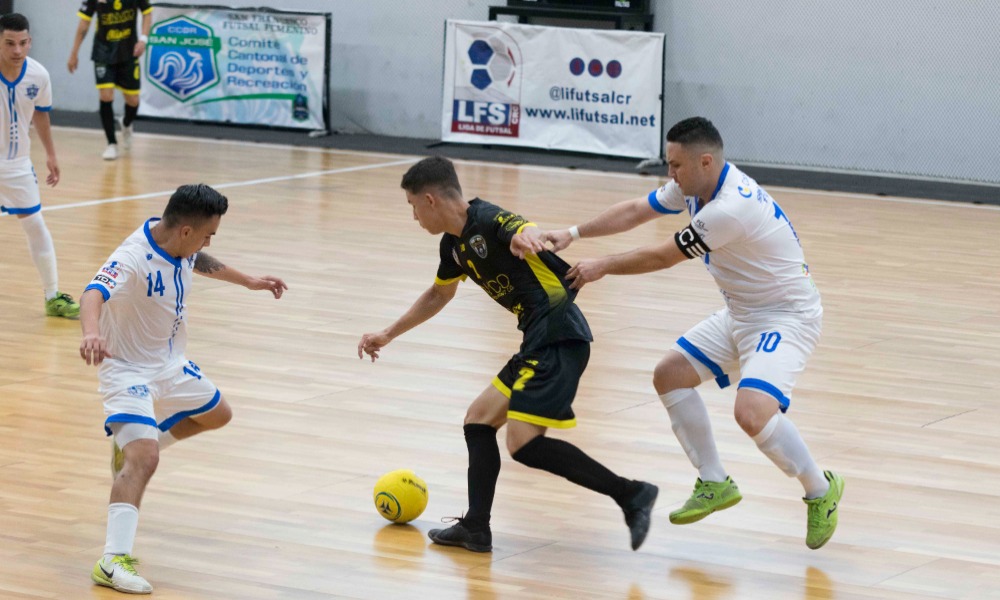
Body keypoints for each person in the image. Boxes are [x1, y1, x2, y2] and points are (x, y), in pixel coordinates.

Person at [544, 117, 844, 550]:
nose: (670, 174)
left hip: (785, 317)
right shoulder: (697, 184)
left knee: (752, 413)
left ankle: (821, 490)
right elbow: (636, 210)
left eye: (676, 166)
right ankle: (714, 482)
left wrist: (602, 265)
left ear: (706, 161)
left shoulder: (729, 209)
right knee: (669, 374)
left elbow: (664, 256)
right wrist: (571, 234)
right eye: (669, 164)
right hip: (741, 311)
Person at [358, 156, 658, 554]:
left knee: (523, 443)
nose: (414, 217)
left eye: (412, 206)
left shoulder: (486, 218)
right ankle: (476, 529)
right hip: (536, 340)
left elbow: (520, 227)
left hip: (559, 336)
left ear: (429, 200)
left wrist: (526, 237)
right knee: (478, 420)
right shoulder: (453, 247)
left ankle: (631, 493)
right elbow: (438, 294)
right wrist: (388, 333)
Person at [79, 184, 287, 594]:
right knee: (145, 459)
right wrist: (90, 334)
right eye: (208, 233)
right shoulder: (131, 258)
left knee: (219, 413)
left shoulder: (180, 243)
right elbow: (92, 293)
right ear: (187, 231)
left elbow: (200, 260)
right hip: (127, 369)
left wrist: (248, 281)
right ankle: (111, 561)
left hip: (170, 364)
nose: (209, 241)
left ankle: (135, 444)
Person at [0, 13, 79, 318]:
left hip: (18, 166)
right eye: (9, 43)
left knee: (36, 227)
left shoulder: (39, 75)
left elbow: (41, 115)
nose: (17, 50)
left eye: (22, 43)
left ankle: (52, 296)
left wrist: (51, 154)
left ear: (30, 42)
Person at [67, 0, 153, 161]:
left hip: (128, 52)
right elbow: (84, 23)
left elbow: (147, 12)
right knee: (106, 96)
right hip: (103, 52)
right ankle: (111, 143)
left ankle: (126, 123)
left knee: (133, 100)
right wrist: (74, 53)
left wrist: (143, 39)